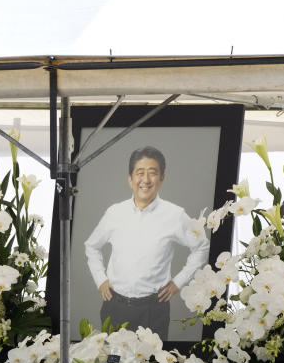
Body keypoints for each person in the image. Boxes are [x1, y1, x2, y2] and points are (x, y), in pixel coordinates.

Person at [84, 146, 209, 340]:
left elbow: (201, 246)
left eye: (152, 173)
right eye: (140, 173)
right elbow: (91, 246)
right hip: (115, 306)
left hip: (153, 309)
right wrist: (101, 279)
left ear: (162, 178)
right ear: (130, 179)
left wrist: (178, 282)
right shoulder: (114, 213)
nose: (146, 180)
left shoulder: (175, 215)